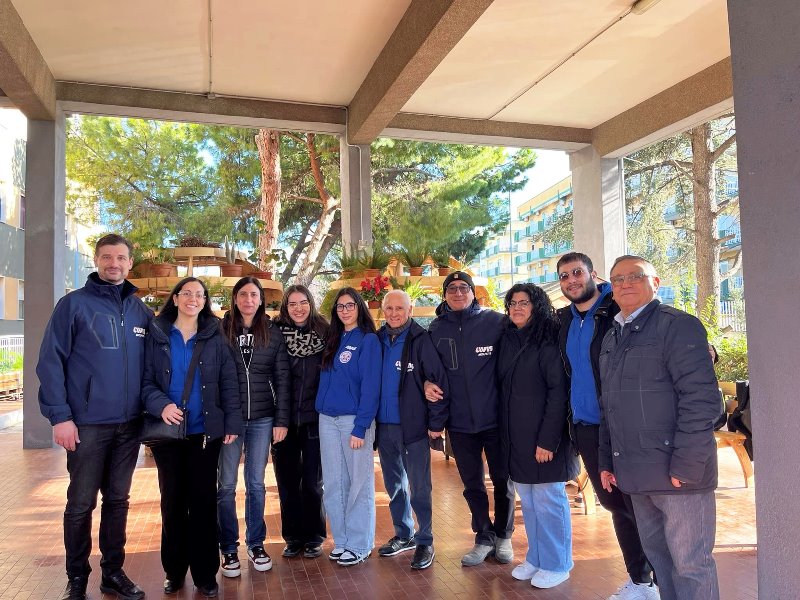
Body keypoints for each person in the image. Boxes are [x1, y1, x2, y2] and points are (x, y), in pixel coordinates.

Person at [599, 255, 721, 600]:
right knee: (661, 562)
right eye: (617, 279)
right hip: (636, 473)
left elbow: (702, 401)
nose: (624, 284)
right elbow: (610, 406)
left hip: (679, 473)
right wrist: (608, 461)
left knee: (691, 565)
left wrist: (687, 464)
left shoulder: (678, 326)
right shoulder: (612, 336)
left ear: (655, 282)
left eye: (634, 276)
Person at [37, 233, 151, 600]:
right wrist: (60, 417)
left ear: (130, 263)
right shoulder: (73, 305)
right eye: (106, 257)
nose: (113, 263)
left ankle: (113, 573)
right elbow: (50, 362)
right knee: (81, 502)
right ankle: (76, 579)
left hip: (129, 425)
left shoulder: (139, 311)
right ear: (97, 260)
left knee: (118, 501)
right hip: (86, 425)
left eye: (120, 257)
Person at [555, 251, 658, 600]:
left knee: (639, 505)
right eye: (564, 276)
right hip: (586, 428)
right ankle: (640, 580)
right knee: (614, 505)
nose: (571, 280)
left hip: (623, 425)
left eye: (577, 273)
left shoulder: (616, 306)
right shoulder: (563, 321)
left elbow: (660, 329)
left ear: (592, 274)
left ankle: (661, 580)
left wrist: (706, 349)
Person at [142, 277, 241, 597]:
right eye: (187, 293)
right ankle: (174, 570)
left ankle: (205, 574)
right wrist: (161, 405)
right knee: (172, 504)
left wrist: (231, 424)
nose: (193, 299)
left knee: (202, 503)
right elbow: (144, 382)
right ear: (175, 298)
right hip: (168, 436)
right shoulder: (157, 333)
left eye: (199, 295)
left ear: (205, 301)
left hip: (203, 434)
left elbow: (229, 381)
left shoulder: (216, 335)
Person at [426, 271, 515, 566]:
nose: (458, 293)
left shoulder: (496, 322)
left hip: (496, 420)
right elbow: (429, 372)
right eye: (452, 288)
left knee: (503, 480)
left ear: (473, 291)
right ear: (445, 294)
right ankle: (484, 536)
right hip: (460, 424)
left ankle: (504, 535)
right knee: (472, 484)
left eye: (464, 287)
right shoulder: (436, 329)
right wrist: (427, 386)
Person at [498, 283, 578, 590]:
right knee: (529, 502)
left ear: (537, 307)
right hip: (517, 437)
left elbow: (558, 393)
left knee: (549, 501)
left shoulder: (548, 341)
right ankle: (537, 557)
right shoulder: (508, 338)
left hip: (545, 440)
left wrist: (548, 440)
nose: (517, 308)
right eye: (512, 303)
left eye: (524, 303)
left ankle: (558, 562)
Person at [217, 277, 290, 577]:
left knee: (256, 484)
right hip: (229, 421)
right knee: (226, 486)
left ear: (262, 300)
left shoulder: (272, 333)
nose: (249, 299)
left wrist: (281, 420)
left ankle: (256, 543)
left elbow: (283, 378)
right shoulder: (220, 331)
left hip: (263, 418)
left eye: (254, 295)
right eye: (243, 294)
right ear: (235, 299)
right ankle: (228, 547)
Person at [375, 290, 449, 570]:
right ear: (383, 310)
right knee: (394, 487)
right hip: (384, 428)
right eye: (389, 308)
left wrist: (435, 424)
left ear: (410, 310)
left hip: (414, 428)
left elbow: (437, 382)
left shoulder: (421, 340)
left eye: (400, 308)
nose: (394, 313)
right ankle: (404, 534)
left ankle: (425, 539)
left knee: (419, 488)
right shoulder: (378, 340)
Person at [315, 287, 381, 566]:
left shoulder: (368, 341)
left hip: (354, 421)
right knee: (333, 484)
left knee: (359, 484)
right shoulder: (333, 339)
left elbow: (370, 387)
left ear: (359, 307)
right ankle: (342, 541)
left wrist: (361, 426)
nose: (344, 310)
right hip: (327, 420)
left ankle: (360, 543)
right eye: (340, 306)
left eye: (349, 305)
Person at [272, 284, 329, 559]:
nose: (298, 308)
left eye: (303, 302)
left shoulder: (326, 332)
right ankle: (293, 537)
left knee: (312, 482)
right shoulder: (274, 333)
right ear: (286, 306)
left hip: (316, 419)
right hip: (282, 420)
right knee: (287, 481)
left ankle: (315, 536)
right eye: (292, 303)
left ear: (311, 303)